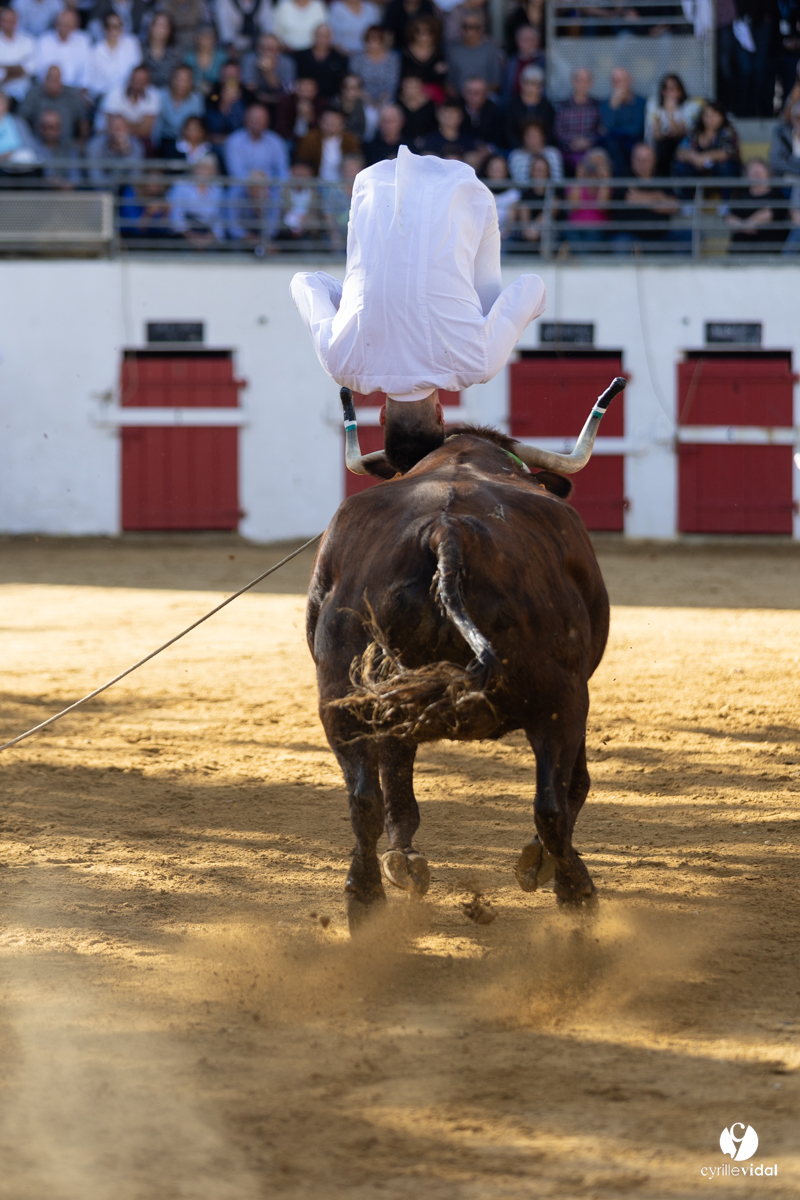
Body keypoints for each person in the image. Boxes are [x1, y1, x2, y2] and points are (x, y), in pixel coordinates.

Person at [290, 146, 546, 471]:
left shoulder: (477, 364)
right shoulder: (341, 364)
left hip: (463, 191)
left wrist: (526, 314)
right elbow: (303, 282)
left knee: (487, 304)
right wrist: (357, 302)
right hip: (373, 185)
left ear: (440, 416)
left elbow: (532, 284)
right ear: (384, 417)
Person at [612, 141, 678, 252]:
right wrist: (658, 198)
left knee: (692, 236)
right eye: (639, 159)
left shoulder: (662, 180)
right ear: (632, 160)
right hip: (631, 237)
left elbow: (674, 206)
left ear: (654, 161)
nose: (642, 163)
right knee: (619, 243)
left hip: (661, 236)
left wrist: (642, 199)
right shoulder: (623, 180)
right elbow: (630, 200)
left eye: (646, 160)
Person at [672, 101, 741, 198]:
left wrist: (703, 157)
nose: (710, 119)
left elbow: (727, 153)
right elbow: (680, 152)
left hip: (719, 172)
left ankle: (727, 205)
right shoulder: (694, 133)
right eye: (707, 115)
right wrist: (693, 158)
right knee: (681, 167)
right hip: (697, 170)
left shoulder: (727, 132)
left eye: (714, 115)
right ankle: (687, 204)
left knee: (725, 167)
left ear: (722, 117)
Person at [644, 74, 700, 178]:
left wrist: (670, 113)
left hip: (684, 145)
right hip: (660, 147)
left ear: (680, 91)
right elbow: (656, 136)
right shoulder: (654, 104)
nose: (668, 92)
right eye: (665, 88)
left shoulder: (690, 106)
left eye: (672, 88)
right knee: (664, 145)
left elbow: (681, 133)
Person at [726, 158, 788, 250]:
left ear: (768, 174)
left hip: (768, 246)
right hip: (741, 248)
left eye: (760, 171)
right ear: (747, 176)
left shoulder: (776, 194)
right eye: (753, 172)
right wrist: (745, 226)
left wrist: (744, 224)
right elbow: (729, 218)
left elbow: (770, 213)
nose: (757, 174)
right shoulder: (740, 194)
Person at [19, 64, 87, 141]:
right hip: (37, 144)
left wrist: (82, 141)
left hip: (67, 144)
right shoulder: (33, 94)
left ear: (61, 79)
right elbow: (21, 119)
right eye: (50, 78)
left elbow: (83, 119)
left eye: (56, 78)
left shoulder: (72, 95)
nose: (53, 82)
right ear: (45, 79)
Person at [169, 153, 226, 244]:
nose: (204, 172)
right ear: (194, 169)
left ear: (214, 171)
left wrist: (209, 238)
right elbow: (176, 216)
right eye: (201, 168)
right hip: (184, 234)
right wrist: (191, 237)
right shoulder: (181, 186)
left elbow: (218, 218)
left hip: (208, 234)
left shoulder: (218, 189)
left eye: (208, 169)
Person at [598, 67, 645, 177]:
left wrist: (617, 131)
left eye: (623, 80)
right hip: (613, 146)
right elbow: (605, 129)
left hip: (633, 143)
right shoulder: (606, 104)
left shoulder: (640, 102)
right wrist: (613, 107)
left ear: (630, 81)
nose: (620, 85)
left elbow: (637, 129)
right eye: (616, 81)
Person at [554, 68, 600, 176]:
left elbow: (600, 130)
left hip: (590, 149)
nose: (581, 84)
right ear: (573, 82)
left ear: (590, 84)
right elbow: (558, 131)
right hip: (567, 149)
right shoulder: (562, 106)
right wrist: (572, 142)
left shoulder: (596, 106)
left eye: (585, 81)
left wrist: (588, 141)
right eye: (578, 80)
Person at [224, 100, 289, 178]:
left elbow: (283, 170)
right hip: (242, 188)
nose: (256, 122)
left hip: (272, 188)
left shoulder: (276, 141)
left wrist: (266, 183)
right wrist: (257, 182)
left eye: (260, 119)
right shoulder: (233, 141)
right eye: (253, 118)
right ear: (246, 120)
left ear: (267, 121)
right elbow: (236, 173)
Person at [565, 146, 611, 251]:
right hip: (575, 228)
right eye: (592, 163)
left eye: (598, 164)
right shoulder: (573, 184)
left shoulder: (607, 186)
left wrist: (605, 179)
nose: (594, 167)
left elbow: (602, 206)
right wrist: (579, 178)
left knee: (593, 236)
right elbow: (573, 206)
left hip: (597, 229)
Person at [87, 12, 141, 100]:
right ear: (104, 28)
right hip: (104, 97)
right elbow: (93, 81)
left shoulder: (132, 43)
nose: (114, 29)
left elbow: (137, 72)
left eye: (117, 26)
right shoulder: (95, 50)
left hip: (129, 96)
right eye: (109, 26)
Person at [445, 11, 501, 98]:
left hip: (485, 98)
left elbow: (495, 82)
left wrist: (477, 97)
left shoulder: (490, 49)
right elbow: (449, 82)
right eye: (466, 27)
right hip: (460, 99)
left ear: (481, 28)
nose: (470, 31)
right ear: (460, 28)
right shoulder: (453, 50)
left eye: (475, 27)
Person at [100, 64, 160, 143]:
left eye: (142, 80)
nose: (139, 82)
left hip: (138, 139)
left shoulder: (153, 95)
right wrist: (138, 125)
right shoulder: (115, 93)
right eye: (136, 79)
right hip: (108, 136)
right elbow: (112, 126)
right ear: (130, 79)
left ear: (148, 82)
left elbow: (146, 130)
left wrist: (123, 125)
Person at [34, 9, 91, 89]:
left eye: (69, 24)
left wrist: (83, 88)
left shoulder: (83, 40)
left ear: (75, 26)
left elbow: (87, 70)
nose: (64, 27)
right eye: (62, 24)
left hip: (75, 90)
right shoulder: (44, 40)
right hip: (48, 88)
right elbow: (39, 71)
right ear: (56, 24)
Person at [296, 104, 360, 175]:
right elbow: (303, 162)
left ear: (342, 124)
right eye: (328, 122)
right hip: (316, 181)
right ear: (320, 122)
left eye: (335, 122)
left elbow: (356, 161)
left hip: (343, 182)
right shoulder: (310, 138)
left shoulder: (349, 139)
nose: (331, 125)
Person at [156, 62, 203, 154]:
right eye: (178, 79)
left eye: (185, 80)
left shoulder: (197, 99)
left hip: (189, 142)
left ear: (191, 82)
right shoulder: (161, 96)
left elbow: (198, 126)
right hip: (165, 141)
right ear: (172, 79)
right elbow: (156, 126)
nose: (180, 83)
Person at [86, 110, 143, 185]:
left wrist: (127, 153)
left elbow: (135, 177)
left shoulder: (136, 145)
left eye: (121, 129)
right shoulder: (95, 145)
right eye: (115, 128)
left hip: (126, 190)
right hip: (101, 190)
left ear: (128, 130)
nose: (118, 133)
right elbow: (95, 178)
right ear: (108, 129)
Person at [241, 32, 296, 109]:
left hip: (280, 105)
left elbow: (287, 93)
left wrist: (268, 73)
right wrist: (273, 98)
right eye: (264, 48)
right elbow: (250, 91)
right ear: (258, 49)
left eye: (272, 49)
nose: (268, 53)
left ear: (279, 51)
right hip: (254, 104)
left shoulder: (287, 63)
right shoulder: (249, 60)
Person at [294, 23, 349, 100]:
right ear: (314, 36)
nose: (322, 40)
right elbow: (296, 80)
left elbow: (343, 82)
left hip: (331, 100)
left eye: (326, 36)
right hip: (306, 98)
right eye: (320, 36)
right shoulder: (301, 56)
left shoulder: (340, 59)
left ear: (331, 38)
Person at [350, 25, 399, 110]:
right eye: (369, 39)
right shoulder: (357, 58)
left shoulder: (392, 59)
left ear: (383, 41)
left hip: (387, 100)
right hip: (362, 100)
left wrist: (381, 102)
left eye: (377, 40)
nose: (372, 43)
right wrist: (368, 101)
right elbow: (354, 82)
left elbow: (392, 83)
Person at [512, 153, 555, 249]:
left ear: (548, 172)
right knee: (522, 206)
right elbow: (522, 210)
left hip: (549, 231)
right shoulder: (525, 193)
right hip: (527, 233)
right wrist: (528, 231)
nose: (539, 173)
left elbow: (553, 209)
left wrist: (534, 229)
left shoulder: (554, 191)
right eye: (536, 170)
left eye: (542, 170)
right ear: (531, 172)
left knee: (553, 204)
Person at [400, 16, 447, 104]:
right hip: (410, 93)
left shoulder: (439, 52)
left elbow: (442, 78)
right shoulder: (405, 53)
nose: (423, 35)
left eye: (427, 32)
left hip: (433, 96)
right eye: (418, 31)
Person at [275, 158, 324, 240]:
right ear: (291, 173)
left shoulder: (316, 195)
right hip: (287, 232)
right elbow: (279, 216)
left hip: (308, 233)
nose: (300, 178)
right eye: (298, 174)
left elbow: (318, 219)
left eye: (303, 175)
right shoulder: (282, 194)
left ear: (310, 175)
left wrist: (306, 222)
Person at [205, 59, 252, 144]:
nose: (230, 80)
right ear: (221, 78)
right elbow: (211, 125)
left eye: (233, 76)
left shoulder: (248, 96)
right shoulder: (214, 95)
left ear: (240, 77)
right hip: (216, 143)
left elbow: (251, 126)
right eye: (227, 76)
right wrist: (224, 104)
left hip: (242, 144)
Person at [416, 98, 477, 162]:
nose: (449, 120)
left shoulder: (468, 139)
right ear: (438, 115)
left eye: (452, 115)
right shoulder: (430, 140)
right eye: (445, 116)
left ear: (460, 117)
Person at [506, 64, 553, 147]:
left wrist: (540, 146)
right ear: (522, 84)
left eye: (535, 83)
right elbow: (508, 132)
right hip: (518, 149)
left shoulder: (547, 107)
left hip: (542, 149)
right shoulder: (512, 105)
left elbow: (550, 132)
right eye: (528, 82)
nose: (531, 87)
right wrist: (522, 147)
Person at [31, 106, 81, 182]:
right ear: (39, 128)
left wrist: (61, 185)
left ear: (60, 128)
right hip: (38, 192)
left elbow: (75, 179)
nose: (49, 131)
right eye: (45, 127)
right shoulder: (31, 147)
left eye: (52, 127)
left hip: (65, 193)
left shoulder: (69, 148)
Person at [501, 24, 544, 107]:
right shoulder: (510, 62)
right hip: (513, 104)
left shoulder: (544, 61)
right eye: (524, 40)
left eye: (531, 39)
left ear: (537, 42)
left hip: (538, 105)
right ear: (517, 42)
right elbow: (505, 89)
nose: (528, 43)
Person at [508, 117, 563, 183]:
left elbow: (557, 181)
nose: (532, 139)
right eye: (529, 136)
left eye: (535, 135)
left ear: (542, 136)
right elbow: (515, 182)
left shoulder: (553, 153)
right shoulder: (516, 156)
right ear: (523, 137)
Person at [0, 7, 36, 106]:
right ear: (1, 22)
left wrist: (4, 68)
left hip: (24, 93)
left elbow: (31, 68)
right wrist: (18, 68)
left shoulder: (28, 40)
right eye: (6, 20)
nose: (9, 23)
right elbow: (22, 68)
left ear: (17, 21)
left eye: (12, 20)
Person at [482, 152, 520, 237]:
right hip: (484, 236)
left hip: (505, 237)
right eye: (493, 169)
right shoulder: (481, 191)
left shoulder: (513, 194)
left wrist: (500, 236)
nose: (496, 172)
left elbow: (511, 222)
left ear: (506, 171)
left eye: (499, 169)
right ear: (487, 170)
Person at [460, 76, 503, 150]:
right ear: (464, 93)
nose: (474, 96)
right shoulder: (458, 108)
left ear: (486, 94)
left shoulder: (494, 110)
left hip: (488, 152)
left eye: (478, 92)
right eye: (470, 92)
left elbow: (498, 138)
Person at [274, 73, 321, 140]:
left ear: (315, 91)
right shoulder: (286, 102)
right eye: (302, 90)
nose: (306, 95)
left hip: (313, 141)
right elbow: (280, 128)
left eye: (309, 91)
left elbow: (322, 130)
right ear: (296, 90)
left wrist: (310, 118)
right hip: (289, 140)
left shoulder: (321, 104)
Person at [183, 24, 226, 95]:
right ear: (197, 38)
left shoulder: (222, 56)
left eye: (210, 37)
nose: (207, 41)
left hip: (217, 95)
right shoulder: (189, 57)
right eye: (204, 37)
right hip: (193, 93)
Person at [0, 87, 37, 165]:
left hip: (15, 164)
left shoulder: (18, 122)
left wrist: (11, 154)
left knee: (27, 156)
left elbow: (30, 146)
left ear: (7, 105)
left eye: (1, 102)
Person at [397, 72, 436, 142]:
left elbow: (433, 127)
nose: (411, 91)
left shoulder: (430, 105)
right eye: (408, 87)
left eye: (415, 87)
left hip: (426, 141)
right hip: (402, 142)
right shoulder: (397, 105)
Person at [768, 100, 800, 176]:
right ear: (792, 118)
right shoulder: (781, 134)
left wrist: (790, 161)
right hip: (788, 181)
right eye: (798, 118)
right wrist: (797, 171)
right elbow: (775, 161)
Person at [335, 71, 367, 138]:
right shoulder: (333, 104)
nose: (349, 90)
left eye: (353, 88)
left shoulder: (367, 110)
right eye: (345, 87)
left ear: (360, 90)